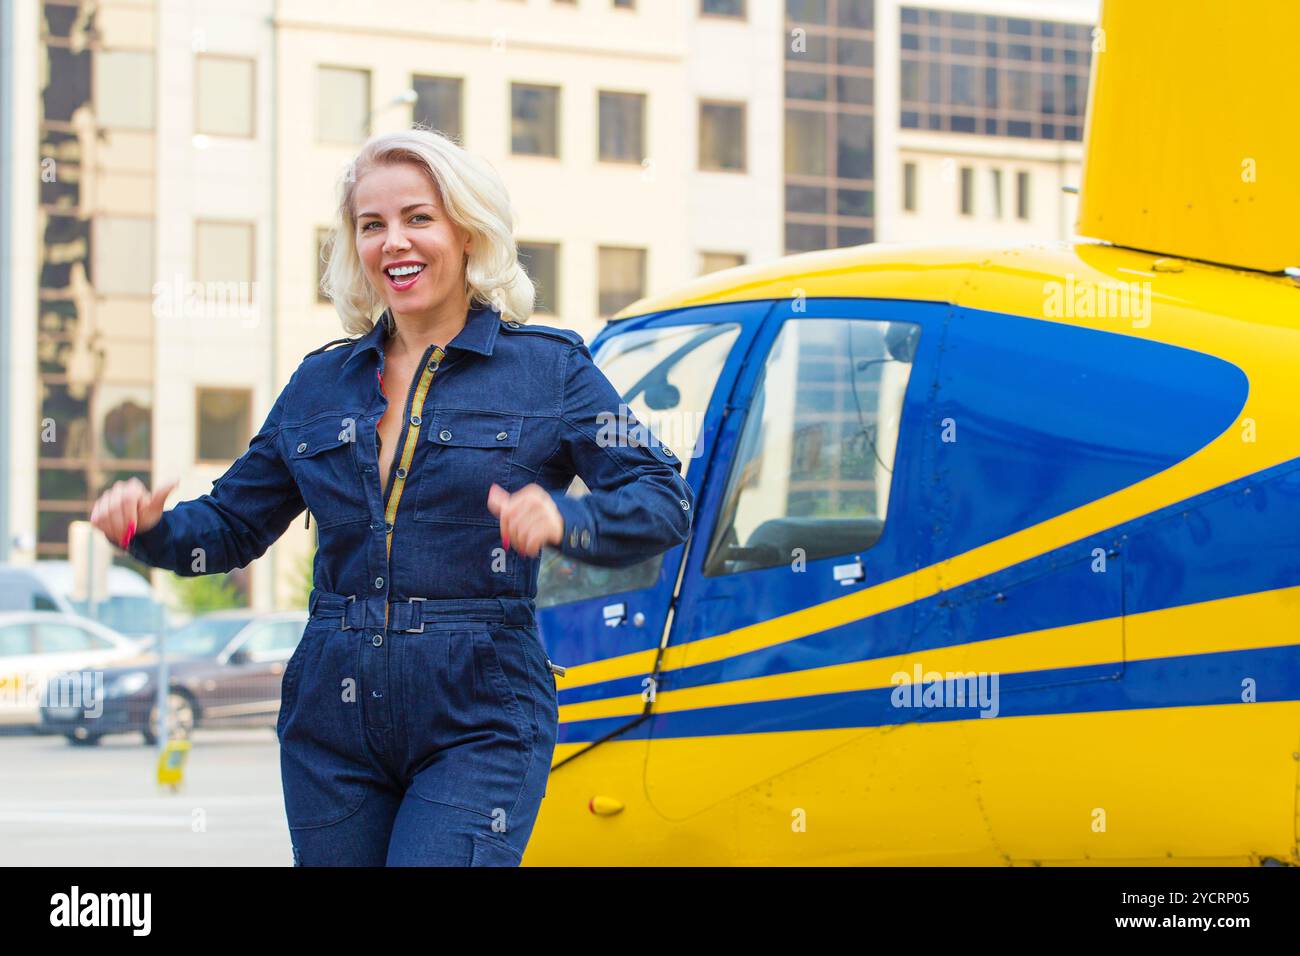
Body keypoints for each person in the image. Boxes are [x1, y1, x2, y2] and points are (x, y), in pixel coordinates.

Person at [88, 127, 694, 866]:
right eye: (371, 225)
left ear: (467, 230)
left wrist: (566, 517)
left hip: (480, 714)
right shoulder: (320, 382)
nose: (393, 242)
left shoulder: (552, 371)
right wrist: (146, 530)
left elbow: (664, 497)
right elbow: (230, 526)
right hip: (330, 716)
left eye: (418, 217)